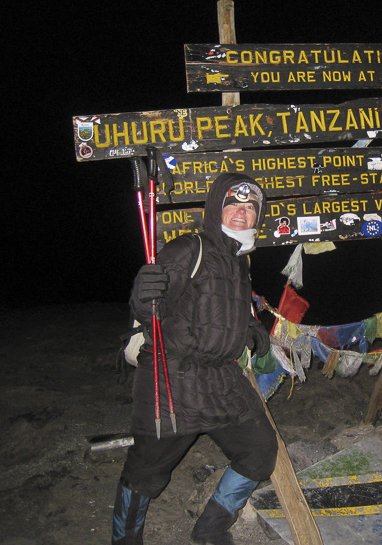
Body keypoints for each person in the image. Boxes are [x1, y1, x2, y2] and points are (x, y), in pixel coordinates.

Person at [111, 173, 277, 545]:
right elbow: (152, 308)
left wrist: (247, 328)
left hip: (221, 381)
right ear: (216, 207)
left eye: (251, 207)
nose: (242, 213)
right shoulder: (188, 248)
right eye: (233, 204)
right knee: (146, 473)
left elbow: (217, 308)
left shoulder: (238, 261)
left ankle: (211, 528)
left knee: (260, 450)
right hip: (173, 378)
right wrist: (142, 294)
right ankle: (125, 540)